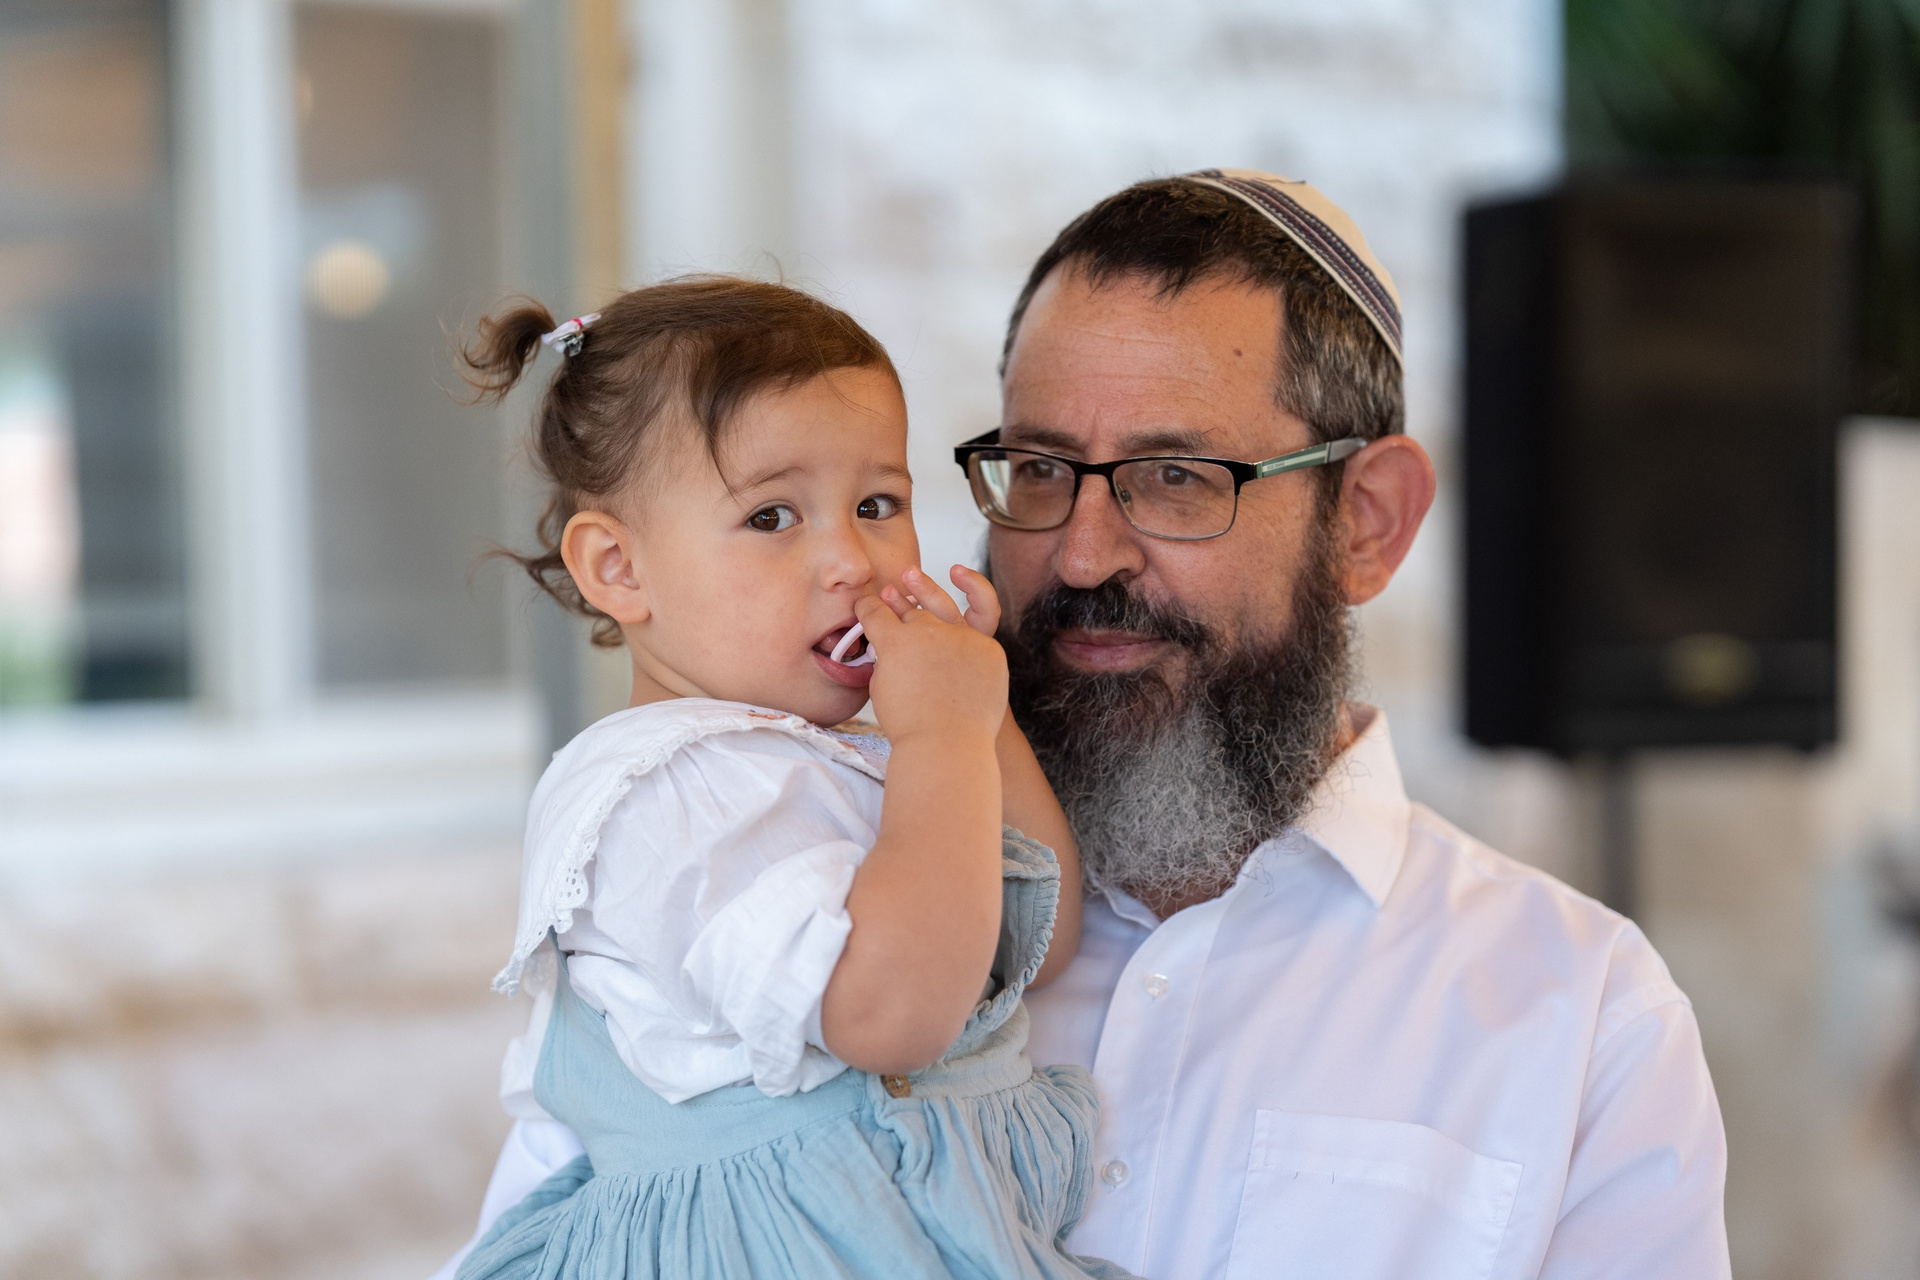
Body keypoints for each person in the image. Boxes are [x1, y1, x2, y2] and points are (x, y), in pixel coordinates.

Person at [444, 171, 1733, 1280]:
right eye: (1043, 469)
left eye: (1178, 476)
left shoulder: (1581, 1014)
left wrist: (960, 730)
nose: (1082, 550)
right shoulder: (776, 852)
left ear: (1367, 521)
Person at [442, 277, 1132, 1279]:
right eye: (772, 516)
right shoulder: (669, 790)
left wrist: (981, 718)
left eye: (876, 504)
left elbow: (1040, 939)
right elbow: (891, 1018)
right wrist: (942, 735)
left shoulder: (854, 754)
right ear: (620, 568)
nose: (850, 558)